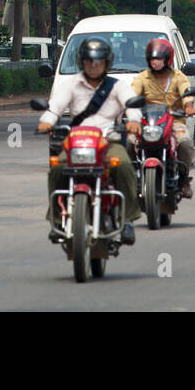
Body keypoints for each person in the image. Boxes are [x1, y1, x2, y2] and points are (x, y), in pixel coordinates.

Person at [38, 37, 142, 244]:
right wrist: (46, 122)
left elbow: (132, 105)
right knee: (58, 167)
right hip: (78, 142)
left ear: (106, 63)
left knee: (123, 165)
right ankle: (58, 220)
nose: (93, 66)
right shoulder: (71, 84)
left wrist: (134, 121)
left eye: (98, 62)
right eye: (88, 62)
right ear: (82, 62)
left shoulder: (118, 86)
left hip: (108, 141)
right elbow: (54, 107)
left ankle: (127, 219)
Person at [130, 37, 195, 198]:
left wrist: (188, 106)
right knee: (128, 142)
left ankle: (183, 179)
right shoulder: (142, 77)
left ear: (167, 59)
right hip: (147, 123)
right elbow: (130, 95)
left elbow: (186, 91)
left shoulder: (178, 76)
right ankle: (131, 177)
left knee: (186, 143)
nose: (156, 62)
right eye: (153, 59)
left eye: (159, 59)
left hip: (174, 122)